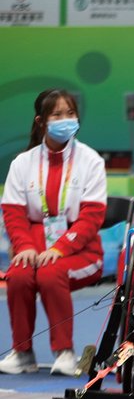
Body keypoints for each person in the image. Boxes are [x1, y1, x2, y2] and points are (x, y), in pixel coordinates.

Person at [0, 89, 107, 376]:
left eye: (70, 114)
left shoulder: (91, 161)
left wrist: (60, 249)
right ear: (41, 122)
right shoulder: (22, 163)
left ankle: (64, 352)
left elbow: (91, 217)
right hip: (33, 245)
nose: (65, 120)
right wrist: (23, 246)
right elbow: (13, 212)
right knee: (19, 274)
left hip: (83, 251)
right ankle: (22, 353)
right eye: (57, 115)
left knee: (50, 273)